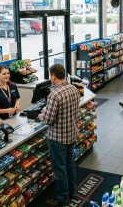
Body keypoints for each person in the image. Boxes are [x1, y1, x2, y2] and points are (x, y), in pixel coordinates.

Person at [39, 64, 80, 207]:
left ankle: (63, 199)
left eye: (50, 76)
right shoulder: (73, 89)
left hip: (57, 138)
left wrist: (41, 116)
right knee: (70, 164)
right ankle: (72, 192)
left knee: (59, 169)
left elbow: (49, 119)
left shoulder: (54, 94)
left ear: (53, 76)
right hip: (71, 134)